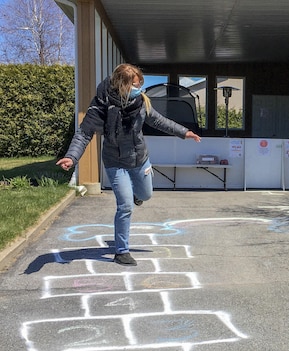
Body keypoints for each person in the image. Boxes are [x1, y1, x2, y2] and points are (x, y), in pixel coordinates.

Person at [56, 63, 201, 266]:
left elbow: (159, 121)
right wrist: (72, 157)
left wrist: (184, 132)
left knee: (145, 195)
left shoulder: (141, 102)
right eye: (134, 85)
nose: (138, 88)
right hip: (115, 162)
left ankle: (136, 194)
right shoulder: (101, 104)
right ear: (121, 85)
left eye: (139, 84)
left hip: (139, 158)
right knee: (124, 206)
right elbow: (85, 133)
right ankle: (121, 251)